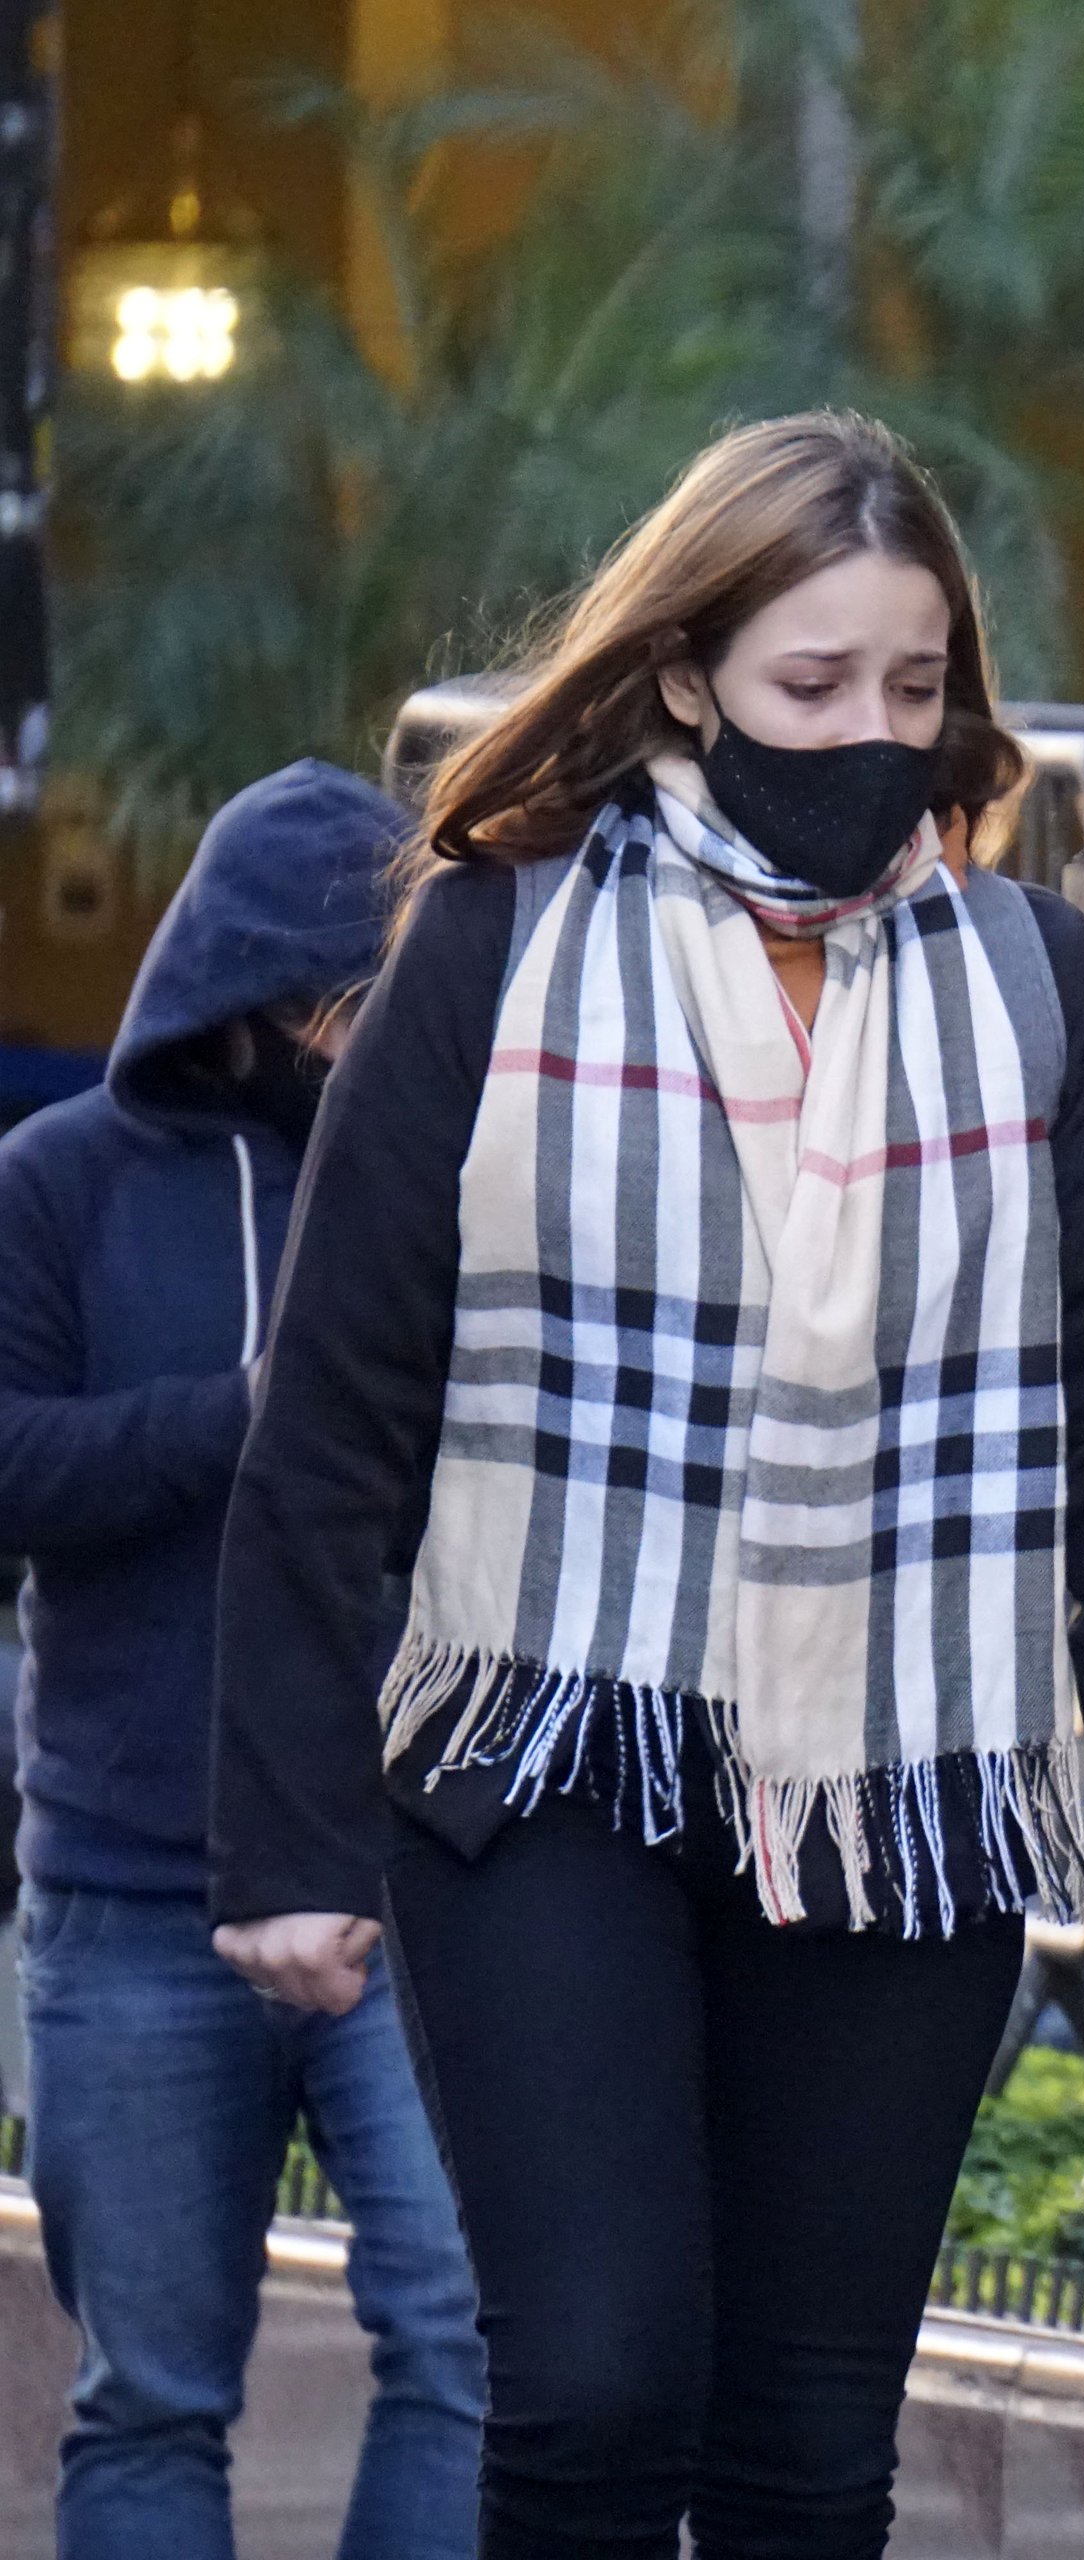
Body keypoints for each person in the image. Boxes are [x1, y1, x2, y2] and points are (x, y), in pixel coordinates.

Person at [207, 411, 1084, 2560]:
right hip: (547, 1747)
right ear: (685, 674)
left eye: (913, 686)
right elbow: (333, 1419)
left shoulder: (1038, 983)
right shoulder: (497, 950)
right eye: (811, 685)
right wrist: (287, 1833)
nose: (871, 733)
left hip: (904, 1772)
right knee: (591, 2385)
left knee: (803, 2446)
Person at [0, 762, 483, 2557]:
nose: (361, 1035)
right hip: (133, 1886)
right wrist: (253, 1419)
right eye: (342, 999)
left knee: (468, 2343)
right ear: (256, 991)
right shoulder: (58, 1185)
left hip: (416, 1876)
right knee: (151, 2395)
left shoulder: (455, 1188)